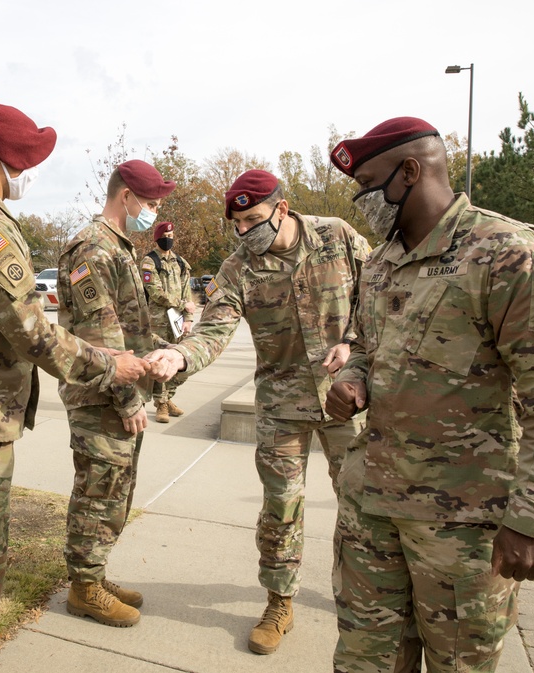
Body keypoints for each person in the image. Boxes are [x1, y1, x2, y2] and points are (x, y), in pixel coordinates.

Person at [325, 117, 534, 672]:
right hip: (372, 511)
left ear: (411, 171)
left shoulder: (508, 255)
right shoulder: (380, 263)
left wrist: (533, 519)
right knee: (363, 662)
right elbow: (367, 347)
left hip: (462, 526)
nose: (363, 203)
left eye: (370, 185)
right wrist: (353, 378)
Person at [0, 104, 148, 670]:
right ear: (8, 161)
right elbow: (32, 332)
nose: (31, 173)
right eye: (29, 160)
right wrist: (111, 367)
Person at [145, 169, 371, 654]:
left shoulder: (338, 236)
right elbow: (214, 329)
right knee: (280, 509)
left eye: (253, 219)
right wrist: (182, 355)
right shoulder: (236, 268)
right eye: (237, 224)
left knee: (359, 507)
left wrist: (354, 344)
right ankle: (279, 602)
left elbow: (380, 301)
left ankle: (358, 593)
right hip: (282, 405)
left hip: (345, 400)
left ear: (282, 209)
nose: (245, 231)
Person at [57, 159, 175, 628]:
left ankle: (94, 572)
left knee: (115, 489)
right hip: (101, 395)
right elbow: (99, 334)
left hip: (117, 391)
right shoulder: (93, 249)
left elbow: (130, 325)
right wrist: (127, 399)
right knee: (98, 490)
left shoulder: (119, 247)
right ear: (125, 195)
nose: (153, 211)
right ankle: (83, 588)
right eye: (149, 202)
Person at [140, 221, 195, 423]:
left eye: (172, 237)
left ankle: (168, 397)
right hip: (157, 321)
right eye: (165, 236)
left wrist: (188, 318)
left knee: (180, 363)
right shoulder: (149, 262)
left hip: (178, 321)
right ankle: (161, 403)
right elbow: (154, 293)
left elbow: (186, 291)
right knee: (160, 362)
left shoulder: (180, 262)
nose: (168, 240)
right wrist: (182, 304)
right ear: (157, 237)